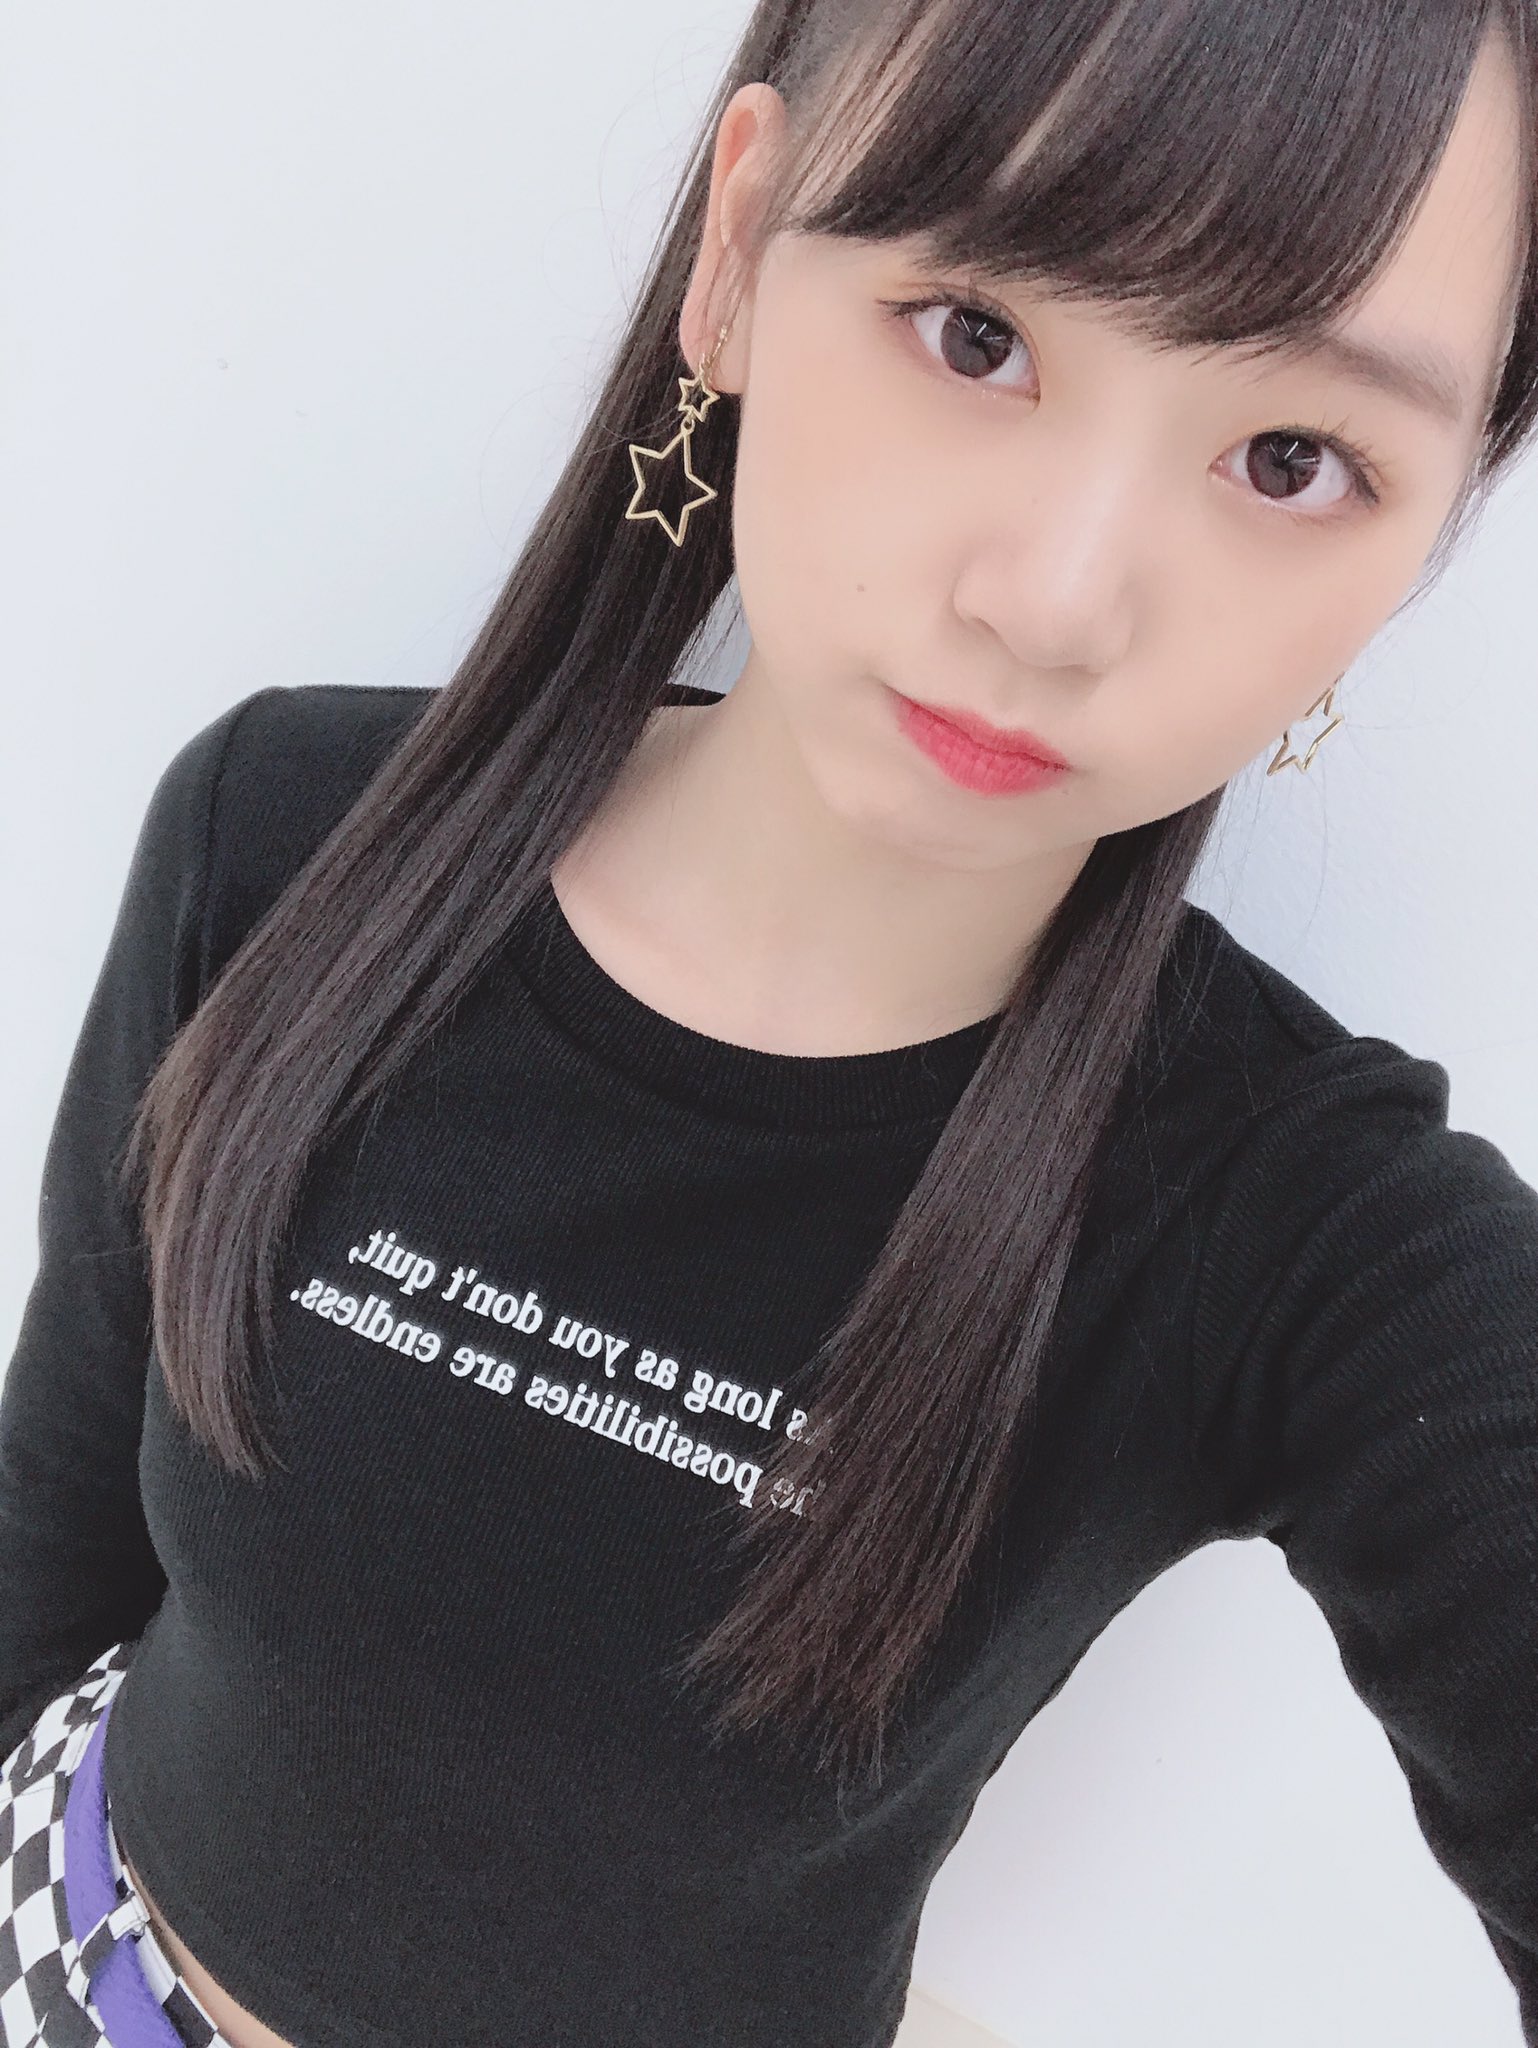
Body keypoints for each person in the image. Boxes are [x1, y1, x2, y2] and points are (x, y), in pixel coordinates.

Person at [3, 1, 1537, 2044]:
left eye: (1293, 459)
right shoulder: (277, 833)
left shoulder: (1300, 1232)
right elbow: (49, 1536)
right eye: (975, 333)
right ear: (740, 251)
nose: (1058, 599)